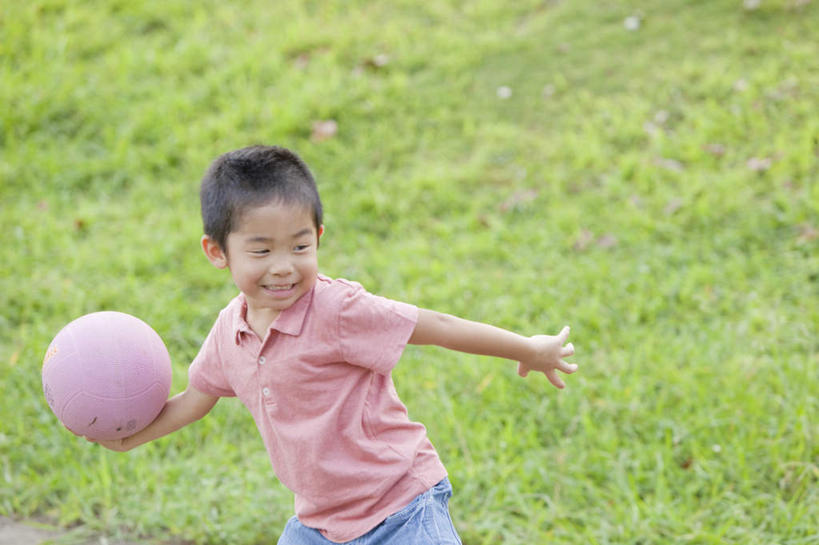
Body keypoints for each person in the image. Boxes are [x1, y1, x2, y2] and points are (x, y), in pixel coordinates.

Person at [93, 145, 578, 544]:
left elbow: (436, 324)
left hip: (401, 509)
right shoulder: (230, 332)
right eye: (261, 250)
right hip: (319, 525)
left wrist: (527, 349)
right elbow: (194, 401)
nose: (283, 265)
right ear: (217, 252)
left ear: (319, 237)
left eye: (300, 247)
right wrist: (128, 437)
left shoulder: (338, 310)